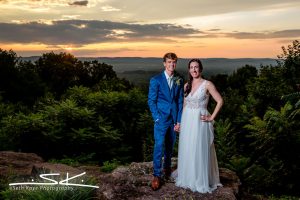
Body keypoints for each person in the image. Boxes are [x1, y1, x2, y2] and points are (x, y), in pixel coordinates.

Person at [175, 58, 223, 193]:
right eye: (191, 67)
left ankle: (200, 179)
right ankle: (188, 177)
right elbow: (184, 104)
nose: (194, 70)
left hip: (199, 120)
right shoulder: (186, 85)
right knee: (188, 147)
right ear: (189, 70)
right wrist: (180, 122)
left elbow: (220, 101)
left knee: (198, 148)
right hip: (187, 119)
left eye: (196, 67)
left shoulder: (207, 84)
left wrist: (211, 117)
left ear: (200, 69)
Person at [148, 52, 184, 190]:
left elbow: (180, 102)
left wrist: (179, 121)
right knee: (159, 146)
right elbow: (151, 101)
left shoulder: (179, 79)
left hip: (174, 119)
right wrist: (156, 117)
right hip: (161, 119)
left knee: (170, 146)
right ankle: (156, 175)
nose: (172, 65)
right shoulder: (156, 80)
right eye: (169, 62)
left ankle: (167, 168)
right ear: (164, 63)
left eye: (174, 62)